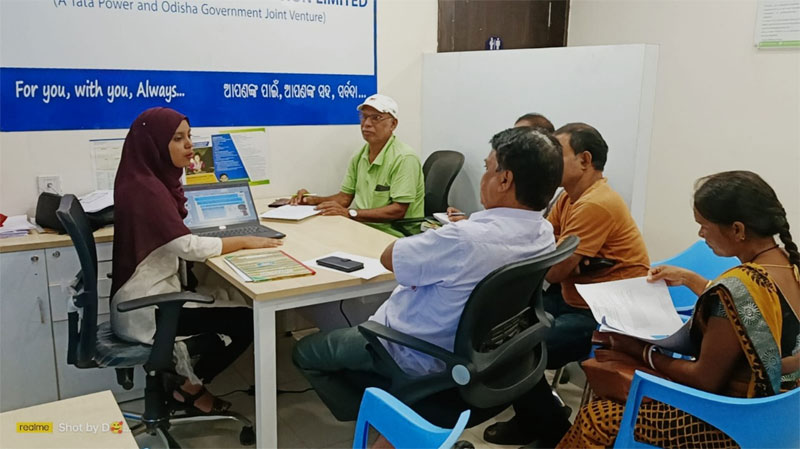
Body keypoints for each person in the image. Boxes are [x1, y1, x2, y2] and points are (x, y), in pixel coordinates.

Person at [292, 126, 563, 424]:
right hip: (486, 355)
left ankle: (388, 420)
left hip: (410, 352)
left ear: (504, 180)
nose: (483, 176)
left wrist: (452, 234)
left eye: (487, 168)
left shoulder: (464, 239)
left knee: (306, 352)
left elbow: (388, 258)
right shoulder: (543, 232)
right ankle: (396, 417)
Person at [557, 170, 800, 448]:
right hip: (779, 422)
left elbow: (704, 380)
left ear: (737, 230)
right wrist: (688, 278)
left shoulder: (737, 287)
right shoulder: (789, 266)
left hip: (729, 426)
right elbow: (751, 309)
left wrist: (643, 352)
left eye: (704, 225)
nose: (701, 233)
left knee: (599, 417)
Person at [483, 123, 650, 446]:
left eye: (557, 153)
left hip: (606, 315)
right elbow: (538, 243)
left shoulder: (596, 203)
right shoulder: (568, 198)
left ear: (584, 160)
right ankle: (533, 420)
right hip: (574, 297)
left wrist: (560, 258)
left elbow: (552, 270)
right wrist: (564, 257)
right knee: (500, 334)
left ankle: (552, 431)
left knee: (518, 354)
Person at [110, 107, 283, 414]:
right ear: (154, 144)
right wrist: (244, 240)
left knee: (232, 298)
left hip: (148, 296)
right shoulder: (146, 190)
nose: (189, 145)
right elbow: (187, 246)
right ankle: (189, 388)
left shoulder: (145, 178)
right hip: (149, 310)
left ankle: (183, 383)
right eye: (178, 138)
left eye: (189, 136)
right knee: (247, 320)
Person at [290, 94, 424, 238]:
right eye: (364, 117)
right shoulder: (360, 155)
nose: (366, 124)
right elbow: (344, 198)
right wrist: (310, 200)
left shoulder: (404, 158)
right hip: (362, 227)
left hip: (395, 235)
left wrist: (350, 213)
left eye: (376, 118)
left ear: (393, 124)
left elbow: (398, 210)